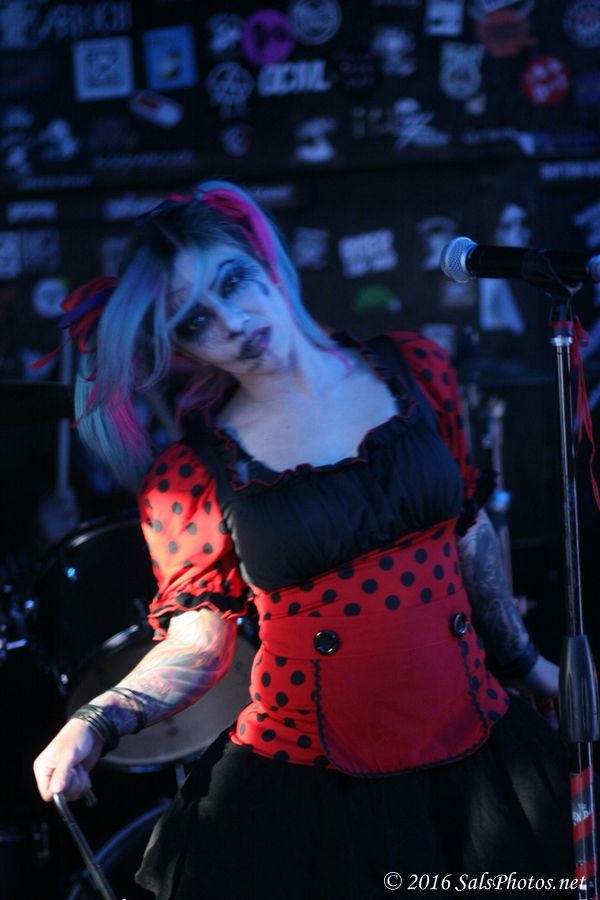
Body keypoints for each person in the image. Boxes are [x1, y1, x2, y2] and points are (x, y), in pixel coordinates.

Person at [34, 181, 574, 900]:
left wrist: (529, 665)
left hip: (476, 753)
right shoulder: (195, 472)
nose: (232, 321)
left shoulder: (415, 371)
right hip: (313, 784)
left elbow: (465, 536)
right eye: (196, 321)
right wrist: (98, 719)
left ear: (264, 258)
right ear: (180, 346)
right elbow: (199, 643)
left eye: (232, 281)